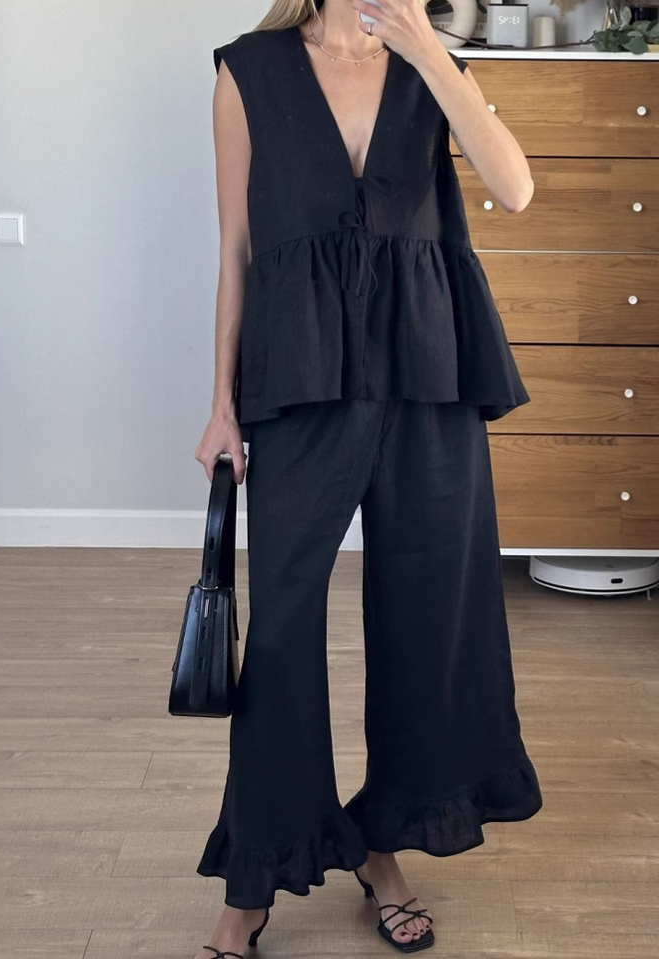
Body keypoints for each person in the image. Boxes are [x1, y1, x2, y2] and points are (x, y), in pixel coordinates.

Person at [192, 1, 543, 956]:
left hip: (429, 370)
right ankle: (252, 881)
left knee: (430, 620)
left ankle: (381, 846)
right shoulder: (250, 70)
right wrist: (221, 402)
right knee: (282, 629)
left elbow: (515, 189)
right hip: (299, 372)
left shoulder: (434, 64)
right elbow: (237, 249)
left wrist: (429, 50)